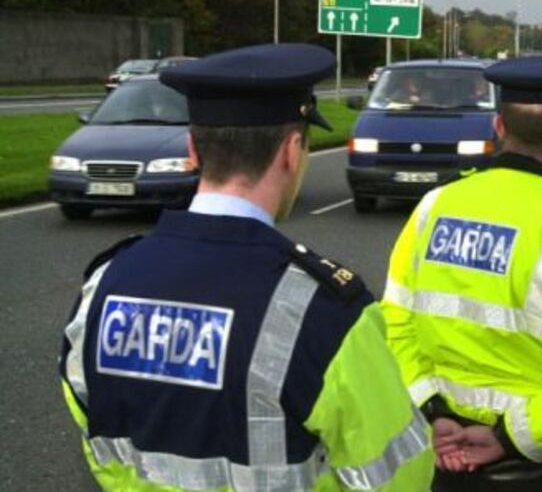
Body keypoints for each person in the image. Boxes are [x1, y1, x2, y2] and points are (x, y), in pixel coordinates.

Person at [57, 43, 433, 492]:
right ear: (292, 152)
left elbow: (92, 422)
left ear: (193, 150)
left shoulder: (104, 284)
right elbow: (399, 476)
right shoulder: (325, 312)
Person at [381, 55, 542, 492]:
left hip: (447, 460)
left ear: (498, 128)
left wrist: (434, 412)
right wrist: (511, 437)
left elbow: (394, 326)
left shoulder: (434, 206)